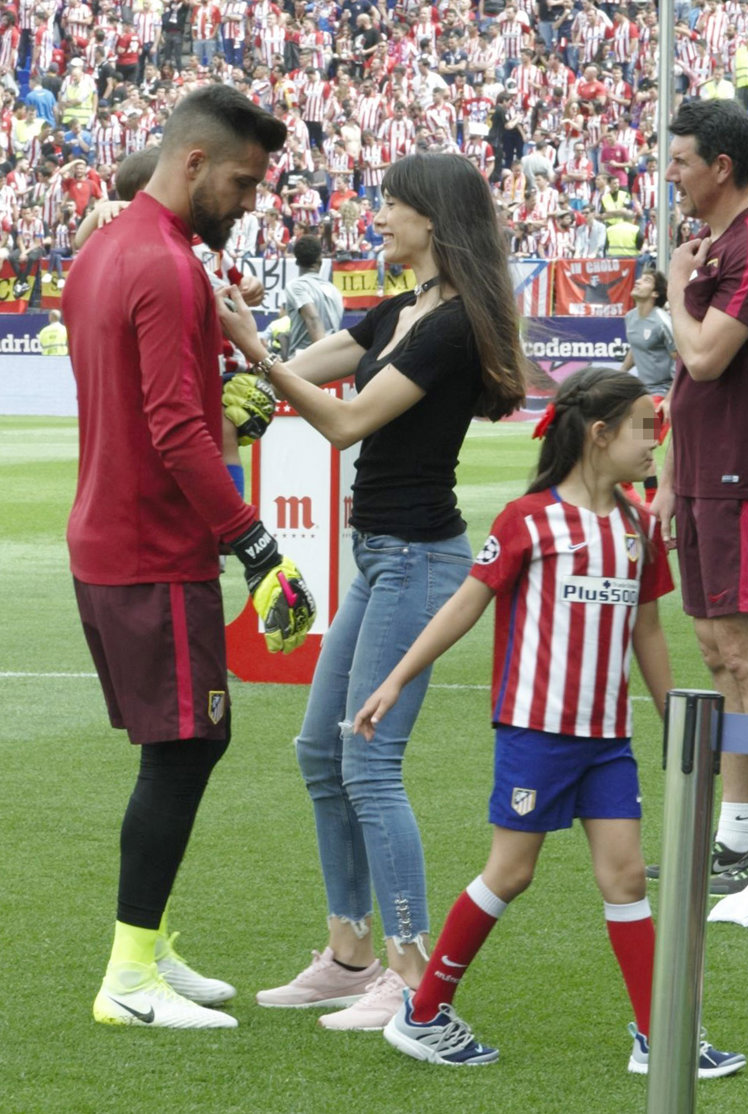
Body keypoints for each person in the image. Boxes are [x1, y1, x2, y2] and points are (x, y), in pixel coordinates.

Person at [352, 367, 745, 1077]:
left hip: (608, 741)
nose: (654, 443)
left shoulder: (637, 526)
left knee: (627, 877)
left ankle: (661, 1037)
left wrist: (673, 718)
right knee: (511, 872)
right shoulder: (528, 519)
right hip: (534, 735)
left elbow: (648, 630)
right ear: (600, 434)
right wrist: (395, 678)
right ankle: (424, 1013)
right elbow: (467, 603)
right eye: (644, 428)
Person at [217, 152, 528, 1032]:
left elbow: (346, 419)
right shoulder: (398, 311)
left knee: (368, 762)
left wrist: (256, 353)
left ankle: (409, 971)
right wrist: (241, 334)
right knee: (320, 753)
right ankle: (350, 954)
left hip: (421, 562)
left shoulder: (452, 326)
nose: (377, 217)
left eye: (391, 204)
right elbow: (299, 366)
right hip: (380, 559)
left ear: (433, 218)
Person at [62, 85, 315, 1031]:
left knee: (179, 746)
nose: (250, 202)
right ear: (195, 161)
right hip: (152, 547)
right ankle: (130, 977)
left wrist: (218, 399)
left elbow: (149, 400)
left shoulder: (103, 249)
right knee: (185, 748)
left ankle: (152, 947)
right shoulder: (167, 265)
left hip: (110, 536)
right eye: (244, 183)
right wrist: (256, 545)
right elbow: (172, 430)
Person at [655, 98, 748, 894]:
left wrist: (677, 285)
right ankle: (739, 837)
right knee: (716, 649)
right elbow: (690, 384)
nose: (669, 173)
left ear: (721, 166)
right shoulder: (718, 244)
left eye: (681, 160)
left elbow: (705, 358)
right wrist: (671, 479)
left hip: (744, 470)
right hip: (704, 473)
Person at [620, 269, 676, 504]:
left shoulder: (662, 321)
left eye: (646, 280)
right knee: (632, 448)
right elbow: (636, 349)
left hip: (662, 393)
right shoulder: (630, 317)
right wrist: (619, 374)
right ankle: (642, 506)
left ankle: (650, 503)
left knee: (639, 444)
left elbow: (681, 359)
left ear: (655, 293)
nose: (638, 281)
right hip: (642, 394)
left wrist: (670, 399)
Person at [283, 234, 345, 358]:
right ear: (320, 260)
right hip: (332, 358)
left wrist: (321, 358)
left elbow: (313, 319)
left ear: (297, 260)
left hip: (307, 358)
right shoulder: (335, 290)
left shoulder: (296, 286)